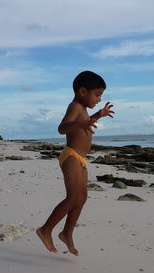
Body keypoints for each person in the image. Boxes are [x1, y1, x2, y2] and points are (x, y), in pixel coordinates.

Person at [37, 71, 114, 256]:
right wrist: (79, 125)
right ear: (82, 91)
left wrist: (98, 115)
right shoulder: (74, 107)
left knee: (81, 198)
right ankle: (46, 230)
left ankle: (66, 233)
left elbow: (85, 123)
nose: (98, 99)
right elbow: (62, 128)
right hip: (71, 156)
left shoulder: (84, 110)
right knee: (72, 198)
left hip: (80, 158)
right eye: (97, 95)